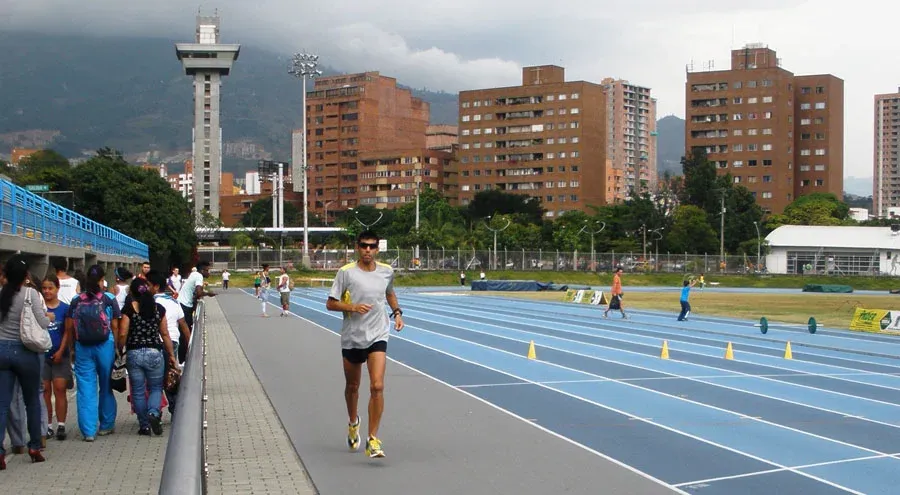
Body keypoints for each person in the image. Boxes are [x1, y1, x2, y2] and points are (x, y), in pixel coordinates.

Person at [326, 231, 404, 459]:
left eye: (371, 246)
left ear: (377, 249)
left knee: (377, 386)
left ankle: (373, 439)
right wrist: (352, 307)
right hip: (353, 336)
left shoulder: (386, 271)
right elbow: (330, 304)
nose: (367, 250)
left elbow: (389, 293)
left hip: (378, 334)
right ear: (357, 247)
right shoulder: (346, 272)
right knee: (353, 386)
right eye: (363, 246)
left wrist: (397, 313)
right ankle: (353, 422)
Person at [0, 255, 51, 466]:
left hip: (2, 351)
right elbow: (43, 322)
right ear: (26, 275)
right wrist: (50, 317)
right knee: (32, 401)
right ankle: (35, 446)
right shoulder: (30, 294)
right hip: (26, 352)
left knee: (2, 404)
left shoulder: (1, 294)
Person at [65, 264, 121, 441]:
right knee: (106, 385)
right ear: (102, 280)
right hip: (105, 345)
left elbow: (69, 326)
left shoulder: (76, 300)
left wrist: (72, 348)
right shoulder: (109, 298)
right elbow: (115, 325)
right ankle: (106, 425)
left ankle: (88, 431)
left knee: (85, 387)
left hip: (83, 347)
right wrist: (118, 347)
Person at [119, 278, 177, 436]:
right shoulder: (159, 309)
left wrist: (119, 349)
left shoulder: (129, 309)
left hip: (134, 353)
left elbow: (123, 333)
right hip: (154, 352)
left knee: (138, 391)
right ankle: (153, 413)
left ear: (132, 293)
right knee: (155, 388)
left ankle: (144, 425)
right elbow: (165, 334)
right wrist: (171, 355)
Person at [147, 270, 190, 415]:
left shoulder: (149, 302)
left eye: (148, 285)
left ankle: (155, 411)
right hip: (173, 341)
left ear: (156, 286)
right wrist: (189, 343)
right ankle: (175, 409)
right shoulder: (174, 302)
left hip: (155, 343)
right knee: (170, 376)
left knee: (155, 378)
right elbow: (183, 324)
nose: (145, 288)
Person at [41, 274, 71, 441]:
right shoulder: (38, 308)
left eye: (50, 288)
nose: (47, 291)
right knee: (45, 390)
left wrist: (61, 351)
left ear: (57, 288)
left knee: (60, 388)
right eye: (44, 288)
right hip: (41, 355)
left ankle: (61, 425)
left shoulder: (65, 308)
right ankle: (47, 425)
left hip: (61, 354)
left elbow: (68, 331)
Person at [175, 262, 212, 363]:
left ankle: (183, 358)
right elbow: (199, 292)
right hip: (185, 306)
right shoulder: (199, 276)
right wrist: (208, 294)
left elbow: (195, 292)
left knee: (184, 332)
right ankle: (183, 360)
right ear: (202, 270)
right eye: (207, 270)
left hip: (182, 303)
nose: (209, 273)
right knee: (185, 333)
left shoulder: (194, 274)